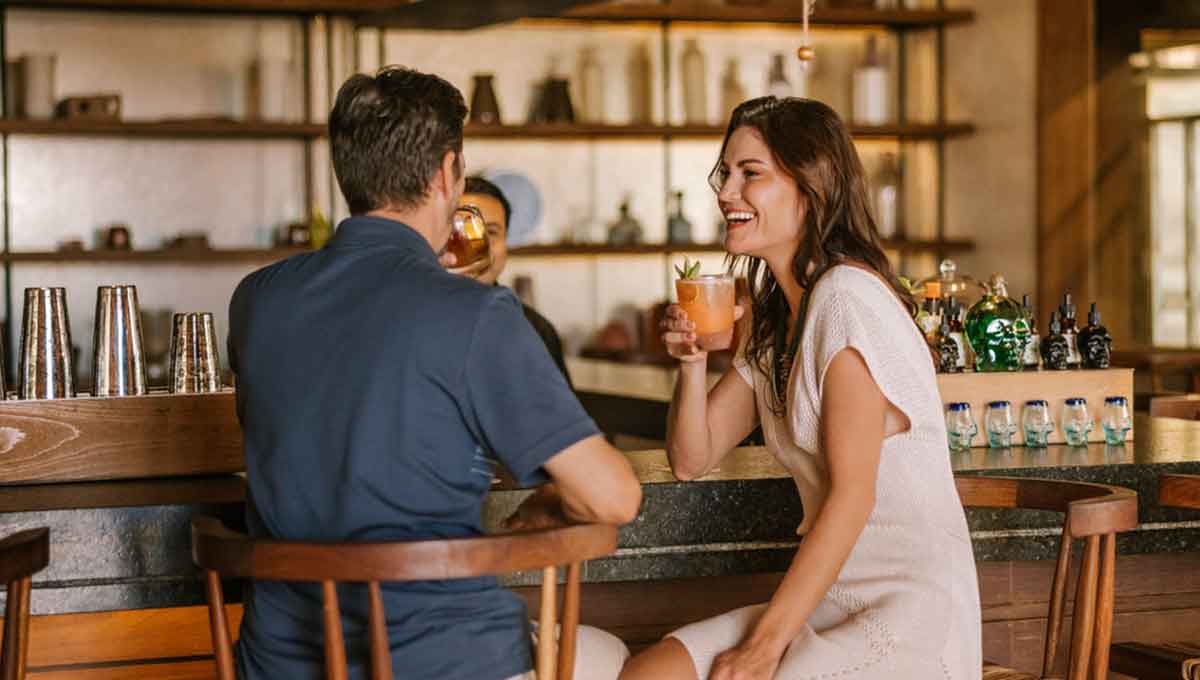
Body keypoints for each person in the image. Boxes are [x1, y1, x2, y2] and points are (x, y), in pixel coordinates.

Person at [228, 66, 640, 680]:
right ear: (450, 173)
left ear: (348, 173)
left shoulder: (256, 299)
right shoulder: (477, 313)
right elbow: (613, 496)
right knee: (614, 658)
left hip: (282, 662)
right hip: (442, 660)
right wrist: (557, 494)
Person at [619, 97, 981, 680]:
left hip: (911, 606)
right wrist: (692, 363)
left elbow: (852, 497)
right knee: (650, 673)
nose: (726, 191)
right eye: (726, 173)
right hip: (829, 596)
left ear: (811, 185)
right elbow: (692, 458)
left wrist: (762, 648)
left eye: (750, 174)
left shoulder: (846, 299)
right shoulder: (774, 317)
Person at [459, 176, 572, 385]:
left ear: (506, 243)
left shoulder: (534, 330)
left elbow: (556, 415)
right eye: (465, 230)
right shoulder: (414, 323)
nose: (478, 245)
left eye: (492, 232)